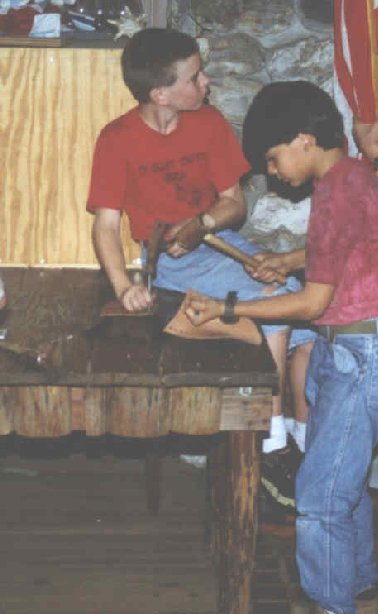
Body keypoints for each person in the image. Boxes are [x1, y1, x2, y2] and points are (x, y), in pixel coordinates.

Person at [183, 80, 378, 614]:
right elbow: (345, 248)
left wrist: (229, 307)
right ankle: (362, 599)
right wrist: (284, 260)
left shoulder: (338, 190)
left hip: (361, 355)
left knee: (320, 496)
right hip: (348, 348)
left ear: (304, 139)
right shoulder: (348, 178)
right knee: (344, 486)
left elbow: (310, 302)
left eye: (275, 158)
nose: (273, 172)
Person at [86, 27, 315, 495]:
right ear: (161, 94)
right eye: (194, 77)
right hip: (171, 262)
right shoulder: (117, 138)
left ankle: (305, 439)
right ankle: (271, 441)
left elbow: (234, 203)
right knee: (277, 304)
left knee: (308, 323)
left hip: (220, 243)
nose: (206, 82)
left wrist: (202, 223)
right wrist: (123, 286)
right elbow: (106, 226)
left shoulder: (208, 123)